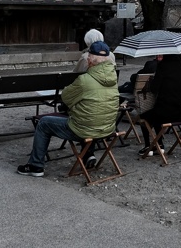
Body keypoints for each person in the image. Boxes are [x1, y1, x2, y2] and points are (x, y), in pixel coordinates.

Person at [17, 41, 119, 177]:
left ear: (90, 59)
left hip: (85, 129)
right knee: (91, 115)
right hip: (107, 128)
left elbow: (65, 97)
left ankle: (36, 166)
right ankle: (88, 155)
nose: (87, 58)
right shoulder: (113, 79)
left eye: (88, 56)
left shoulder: (84, 80)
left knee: (44, 123)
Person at [136, 52, 181, 157]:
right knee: (157, 114)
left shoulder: (163, 66)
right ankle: (159, 144)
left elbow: (154, 89)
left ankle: (149, 146)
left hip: (164, 111)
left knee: (145, 117)